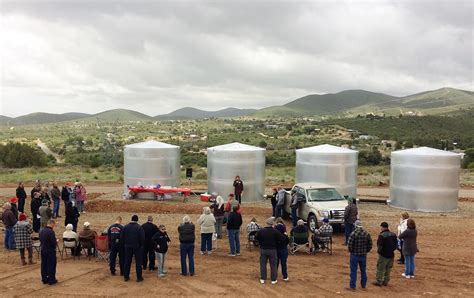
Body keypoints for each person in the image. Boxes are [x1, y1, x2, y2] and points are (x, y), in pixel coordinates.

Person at [255, 217, 284, 285]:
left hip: (263, 249)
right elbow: (281, 239)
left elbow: (256, 238)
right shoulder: (275, 231)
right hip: (272, 250)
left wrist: (260, 243)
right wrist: (276, 243)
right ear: (272, 224)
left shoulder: (261, 231)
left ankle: (263, 278)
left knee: (263, 264)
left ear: (266, 223)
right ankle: (273, 280)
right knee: (273, 265)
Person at [347, 220, 372, 291]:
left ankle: (352, 286)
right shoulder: (366, 233)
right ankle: (363, 285)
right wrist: (366, 250)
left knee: (353, 271)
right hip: (363, 255)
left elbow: (349, 244)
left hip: (354, 255)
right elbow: (370, 244)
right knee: (363, 270)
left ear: (355, 226)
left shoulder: (353, 233)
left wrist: (351, 251)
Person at [122, 215, 145, 282]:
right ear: (137, 220)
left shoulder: (125, 227)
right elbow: (142, 238)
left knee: (127, 261)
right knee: (138, 262)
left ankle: (126, 277)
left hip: (127, 246)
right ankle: (139, 277)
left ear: (131, 219)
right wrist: (141, 245)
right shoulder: (139, 227)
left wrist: (125, 244)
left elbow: (122, 237)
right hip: (137, 247)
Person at [373, 222, 398, 286]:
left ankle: (379, 281)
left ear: (382, 227)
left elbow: (379, 245)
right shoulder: (393, 234)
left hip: (383, 255)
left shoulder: (382, 235)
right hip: (391, 254)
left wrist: (380, 252)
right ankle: (386, 281)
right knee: (388, 269)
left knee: (380, 268)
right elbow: (396, 245)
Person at [39, 219, 58, 285]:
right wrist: (56, 242)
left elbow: (40, 240)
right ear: (52, 224)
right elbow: (53, 242)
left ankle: (44, 279)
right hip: (50, 250)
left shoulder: (41, 231)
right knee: (51, 265)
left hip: (43, 249)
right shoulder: (51, 232)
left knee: (44, 265)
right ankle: (51, 279)